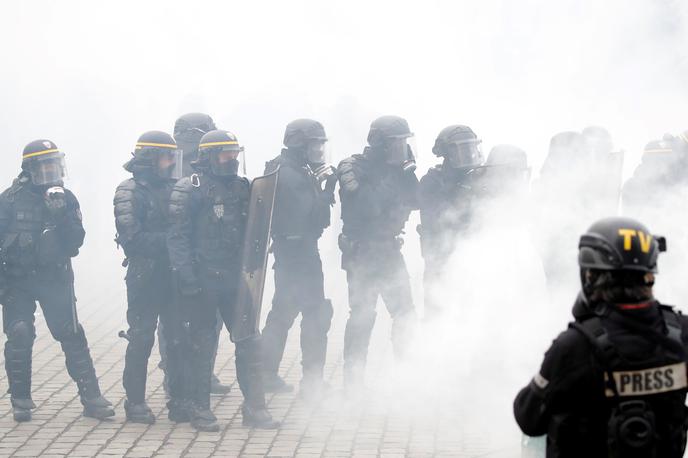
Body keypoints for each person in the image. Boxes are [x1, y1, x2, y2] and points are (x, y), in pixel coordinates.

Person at [514, 216, 688, 457]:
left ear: (591, 276)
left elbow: (529, 419)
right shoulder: (681, 334)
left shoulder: (574, 346)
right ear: (648, 274)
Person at [168, 129, 278, 431]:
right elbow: (177, 238)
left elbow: (254, 228)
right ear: (208, 157)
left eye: (234, 154)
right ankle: (199, 409)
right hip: (203, 281)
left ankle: (255, 408)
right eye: (225, 154)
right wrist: (187, 278)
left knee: (249, 341)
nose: (231, 160)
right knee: (200, 345)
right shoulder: (189, 189)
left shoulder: (244, 187)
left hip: (235, 280)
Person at [0, 140, 114, 422]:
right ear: (31, 168)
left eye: (55, 164)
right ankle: (21, 401)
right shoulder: (8, 200)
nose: (52, 170)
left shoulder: (66, 198)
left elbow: (76, 242)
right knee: (20, 333)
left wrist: (60, 215)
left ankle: (91, 397)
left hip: (54, 278)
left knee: (71, 333)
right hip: (18, 280)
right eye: (46, 165)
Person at [337, 115, 418, 391]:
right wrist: (392, 175)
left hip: (389, 251)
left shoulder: (398, 170)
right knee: (362, 315)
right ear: (380, 144)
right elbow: (368, 207)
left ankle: (408, 376)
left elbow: (416, 200)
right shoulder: (353, 168)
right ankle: (353, 382)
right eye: (396, 143)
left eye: (404, 143)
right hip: (362, 255)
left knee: (405, 314)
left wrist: (407, 172)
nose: (402, 148)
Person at [114, 131, 189, 423]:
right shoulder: (129, 191)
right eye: (166, 156)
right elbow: (133, 239)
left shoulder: (176, 187)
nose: (171, 162)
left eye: (173, 156)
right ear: (149, 158)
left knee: (177, 338)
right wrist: (173, 239)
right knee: (141, 338)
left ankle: (179, 399)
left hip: (172, 273)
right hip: (145, 274)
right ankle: (134, 402)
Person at [156, 112, 230, 396]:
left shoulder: (168, 161)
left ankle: (192, 376)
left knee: (183, 321)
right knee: (194, 321)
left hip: (180, 251)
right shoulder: (193, 164)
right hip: (192, 252)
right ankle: (184, 379)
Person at [260, 119, 336, 398]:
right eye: (313, 145)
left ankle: (266, 373)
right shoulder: (292, 174)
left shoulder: (283, 167)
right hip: (300, 253)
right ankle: (312, 383)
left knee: (282, 312)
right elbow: (314, 217)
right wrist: (326, 190)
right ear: (299, 144)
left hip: (289, 252)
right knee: (315, 314)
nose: (318, 151)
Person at [417, 125, 483, 318]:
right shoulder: (432, 181)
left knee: (471, 313)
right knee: (437, 313)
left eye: (471, 148)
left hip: (471, 259)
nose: (469, 154)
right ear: (447, 153)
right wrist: (462, 193)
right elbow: (437, 220)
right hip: (440, 260)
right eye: (463, 149)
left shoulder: (477, 179)